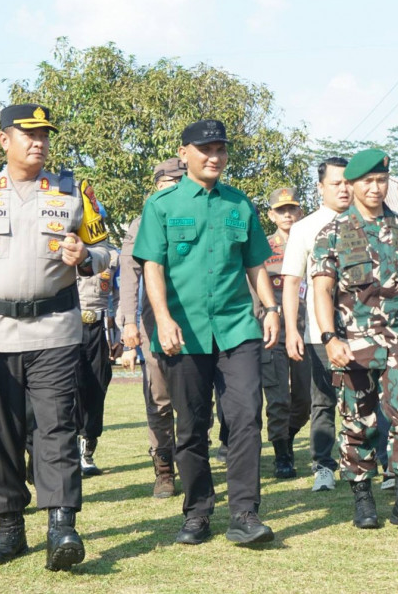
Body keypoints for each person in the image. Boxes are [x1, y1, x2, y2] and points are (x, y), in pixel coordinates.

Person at [0, 103, 112, 570]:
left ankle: (62, 526)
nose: (39, 142)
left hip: (55, 330)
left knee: (57, 427)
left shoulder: (74, 192)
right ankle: (10, 527)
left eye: (45, 134)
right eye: (28, 134)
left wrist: (86, 255)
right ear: (3, 141)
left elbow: (108, 249)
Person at [134, 119, 278, 545]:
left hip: (237, 328)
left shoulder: (240, 204)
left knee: (246, 416)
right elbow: (152, 267)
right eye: (205, 149)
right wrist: (161, 317)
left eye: (220, 149)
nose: (214, 157)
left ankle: (245, 513)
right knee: (191, 426)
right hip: (185, 331)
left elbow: (255, 264)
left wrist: (270, 309)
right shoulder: (161, 206)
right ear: (184, 154)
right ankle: (197, 513)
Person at [310, 148, 398, 531]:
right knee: (358, 421)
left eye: (382, 181)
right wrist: (330, 337)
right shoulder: (332, 233)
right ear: (351, 184)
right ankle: (362, 498)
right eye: (368, 181)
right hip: (354, 340)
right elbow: (322, 290)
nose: (376, 188)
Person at [281, 157, 354, 492]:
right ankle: (323, 467)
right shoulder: (305, 228)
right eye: (336, 183)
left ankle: (368, 461)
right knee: (322, 401)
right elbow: (292, 282)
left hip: (364, 329)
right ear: (321, 187)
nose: (344, 189)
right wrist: (292, 330)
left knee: (367, 398)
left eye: (348, 182)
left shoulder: (369, 222)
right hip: (318, 331)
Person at [118, 157, 186, 500]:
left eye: (178, 182)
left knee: (196, 398)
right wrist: (128, 322)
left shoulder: (196, 213)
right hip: (152, 324)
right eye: (165, 184)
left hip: (195, 321)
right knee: (159, 398)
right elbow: (129, 277)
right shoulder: (141, 222)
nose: (171, 189)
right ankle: (163, 468)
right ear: (156, 187)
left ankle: (191, 461)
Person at [261, 186, 312, 479]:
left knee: (304, 400)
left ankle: (289, 438)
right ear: (271, 215)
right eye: (281, 210)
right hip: (273, 332)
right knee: (278, 397)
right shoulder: (264, 248)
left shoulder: (310, 244)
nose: (287, 214)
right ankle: (282, 453)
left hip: (306, 330)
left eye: (292, 209)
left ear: (300, 212)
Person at [76, 242, 119, 477]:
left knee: (97, 388)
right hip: (69, 327)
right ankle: (68, 451)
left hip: (100, 328)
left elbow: (119, 295)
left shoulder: (112, 255)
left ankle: (87, 452)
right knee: (70, 390)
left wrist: (119, 335)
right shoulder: (69, 248)